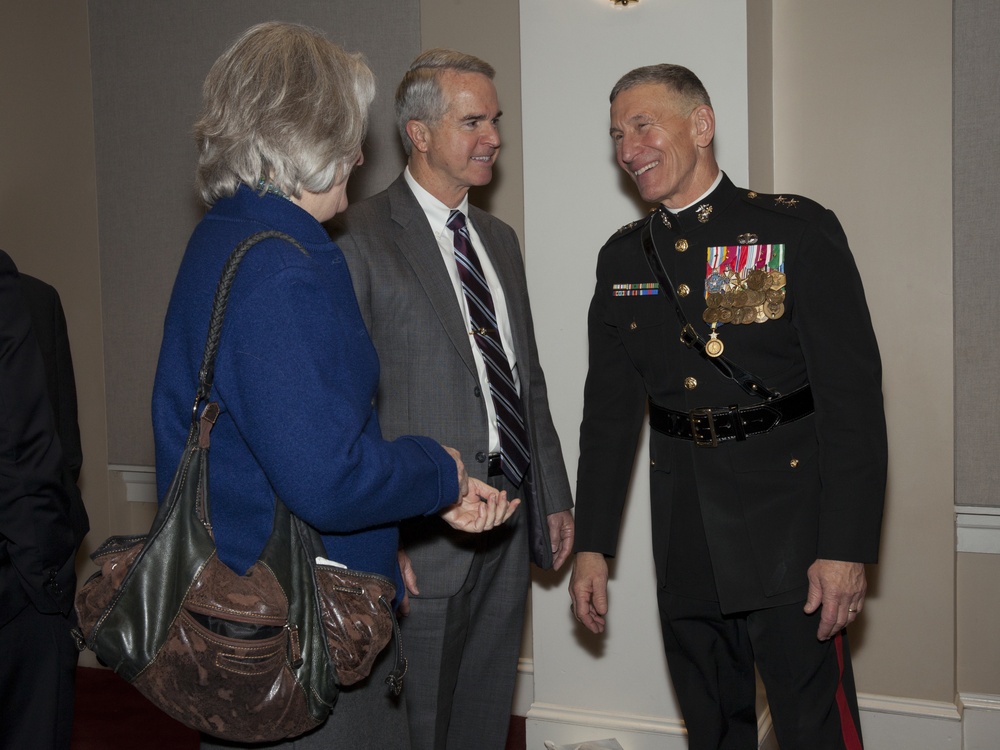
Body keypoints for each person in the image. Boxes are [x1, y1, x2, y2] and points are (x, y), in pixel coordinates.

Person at [151, 24, 517, 750]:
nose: (359, 153)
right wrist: (437, 470)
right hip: (294, 640)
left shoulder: (223, 236)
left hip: (240, 609)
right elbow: (330, 477)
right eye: (350, 131)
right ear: (311, 133)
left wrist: (382, 549)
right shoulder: (286, 266)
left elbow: (285, 446)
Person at [569, 64, 886, 750]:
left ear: (701, 125)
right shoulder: (624, 260)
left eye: (643, 126)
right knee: (711, 723)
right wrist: (592, 545)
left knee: (812, 726)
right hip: (683, 524)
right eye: (618, 134)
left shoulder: (792, 232)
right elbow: (609, 415)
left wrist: (846, 548)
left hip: (792, 526)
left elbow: (852, 402)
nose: (628, 149)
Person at [336, 49, 574, 750]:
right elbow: (351, 404)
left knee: (483, 712)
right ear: (419, 133)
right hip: (425, 526)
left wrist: (552, 493)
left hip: (508, 514)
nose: (493, 137)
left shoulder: (498, 239)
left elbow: (525, 377)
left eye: (495, 120)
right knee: (417, 725)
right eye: (473, 121)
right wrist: (382, 535)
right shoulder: (359, 236)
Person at [0, 250, 83, 750]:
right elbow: (27, 460)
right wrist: (51, 588)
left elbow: (62, 452)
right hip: (24, 590)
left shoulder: (37, 301)